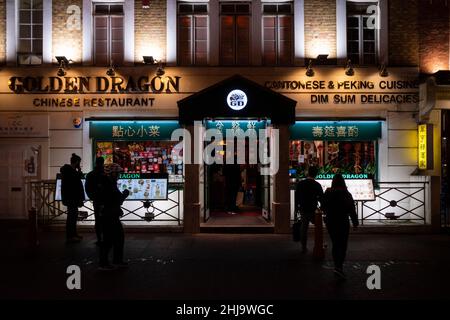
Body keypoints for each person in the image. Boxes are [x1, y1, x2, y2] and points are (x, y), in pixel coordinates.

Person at [321, 174, 359, 279]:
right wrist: (355, 223)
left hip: (331, 221)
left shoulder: (328, 192)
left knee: (335, 243)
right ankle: (339, 266)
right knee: (342, 244)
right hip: (343, 221)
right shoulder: (346, 193)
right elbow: (351, 209)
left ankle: (337, 266)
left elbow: (323, 206)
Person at [98, 163, 129, 271]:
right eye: (118, 173)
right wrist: (124, 195)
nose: (119, 175)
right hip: (109, 215)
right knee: (109, 239)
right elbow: (115, 200)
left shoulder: (109, 183)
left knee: (117, 238)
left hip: (111, 214)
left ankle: (116, 260)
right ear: (113, 173)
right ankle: (104, 263)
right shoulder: (108, 184)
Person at [295, 166, 323, 253]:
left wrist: (296, 208)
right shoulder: (317, 185)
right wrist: (322, 208)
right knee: (318, 226)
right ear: (316, 174)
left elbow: (297, 197)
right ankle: (318, 245)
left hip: (303, 208)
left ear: (308, 173)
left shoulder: (301, 184)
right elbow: (321, 197)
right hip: (313, 208)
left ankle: (303, 246)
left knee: (304, 227)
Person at [60, 153, 85, 243]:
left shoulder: (71, 171)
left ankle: (74, 234)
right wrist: (79, 171)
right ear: (77, 162)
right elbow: (74, 183)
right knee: (71, 217)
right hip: (71, 198)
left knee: (73, 217)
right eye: (79, 162)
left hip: (72, 198)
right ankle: (70, 236)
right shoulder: (69, 171)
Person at [85, 157, 108, 246]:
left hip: (96, 200)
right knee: (105, 219)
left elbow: (87, 188)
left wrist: (92, 197)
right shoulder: (105, 174)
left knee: (98, 219)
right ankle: (105, 237)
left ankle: (99, 239)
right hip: (105, 200)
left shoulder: (90, 174)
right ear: (102, 163)